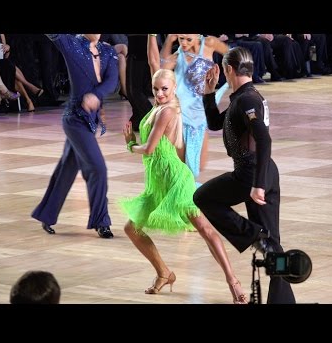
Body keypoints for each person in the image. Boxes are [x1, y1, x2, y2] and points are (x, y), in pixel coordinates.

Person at [120, 68, 247, 304]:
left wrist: (130, 145)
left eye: (164, 89)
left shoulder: (167, 111)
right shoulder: (157, 108)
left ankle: (233, 281)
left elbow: (148, 148)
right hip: (157, 184)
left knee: (206, 230)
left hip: (176, 182)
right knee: (132, 229)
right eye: (156, 89)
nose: (159, 93)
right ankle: (164, 273)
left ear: (174, 88)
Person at [193, 46, 296, 304]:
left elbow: (263, 138)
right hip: (263, 171)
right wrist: (209, 92)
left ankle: (252, 235)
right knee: (273, 246)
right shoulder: (243, 97)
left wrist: (258, 185)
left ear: (229, 70)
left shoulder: (247, 100)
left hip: (251, 174)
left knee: (204, 197)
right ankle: (283, 300)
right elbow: (216, 123)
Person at [31, 34, 118, 238]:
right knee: (97, 168)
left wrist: (96, 95)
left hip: (91, 121)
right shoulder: (71, 44)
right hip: (75, 120)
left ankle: (47, 214)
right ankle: (101, 221)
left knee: (67, 168)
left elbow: (112, 81)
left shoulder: (108, 51)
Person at [160, 34, 229, 181]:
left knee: (198, 166)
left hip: (202, 110)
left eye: (188, 39)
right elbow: (160, 69)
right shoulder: (178, 55)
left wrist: (223, 74)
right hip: (182, 112)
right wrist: (169, 41)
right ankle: (180, 194)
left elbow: (230, 55)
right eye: (180, 39)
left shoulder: (209, 43)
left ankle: (186, 193)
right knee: (181, 164)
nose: (184, 43)